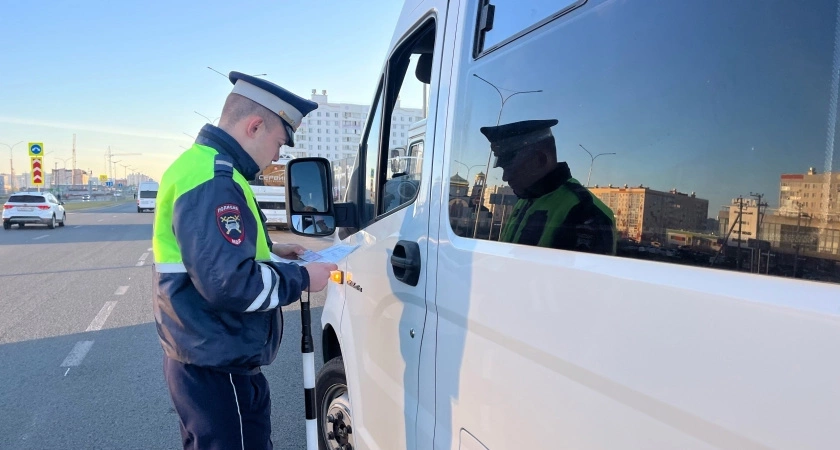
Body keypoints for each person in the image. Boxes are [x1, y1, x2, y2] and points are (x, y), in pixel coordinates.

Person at [152, 71, 338, 450]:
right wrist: (304, 278)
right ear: (254, 126)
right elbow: (231, 284)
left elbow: (210, 255)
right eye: (279, 143)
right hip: (218, 366)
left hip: (203, 357)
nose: (277, 157)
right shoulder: (215, 180)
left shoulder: (201, 167)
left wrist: (273, 251)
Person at [480, 119, 617, 254]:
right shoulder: (525, 199)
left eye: (510, 168)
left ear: (540, 160)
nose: (505, 177)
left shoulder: (585, 211)